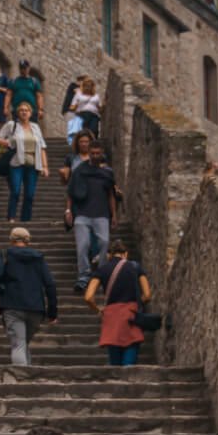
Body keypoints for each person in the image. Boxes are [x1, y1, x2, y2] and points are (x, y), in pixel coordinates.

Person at [0, 224, 58, 367]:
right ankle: (27, 374)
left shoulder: (5, 254)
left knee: (18, 344)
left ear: (11, 240)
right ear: (28, 241)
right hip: (36, 309)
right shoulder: (38, 258)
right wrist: (53, 312)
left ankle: (21, 381)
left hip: (12, 305)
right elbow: (50, 284)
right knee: (23, 342)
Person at [85, 236, 151, 367]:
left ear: (109, 255)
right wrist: (138, 303)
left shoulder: (102, 270)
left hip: (111, 317)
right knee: (129, 362)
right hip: (131, 314)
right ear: (125, 254)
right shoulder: (135, 267)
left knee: (114, 364)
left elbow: (88, 297)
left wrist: (98, 310)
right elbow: (148, 295)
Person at [65, 140, 118, 290]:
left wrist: (114, 215)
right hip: (82, 213)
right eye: (92, 153)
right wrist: (68, 210)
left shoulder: (107, 173)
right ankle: (83, 275)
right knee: (83, 246)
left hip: (101, 214)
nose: (95, 156)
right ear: (88, 153)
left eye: (97, 153)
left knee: (104, 243)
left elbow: (111, 194)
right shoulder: (80, 170)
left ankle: (101, 274)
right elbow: (70, 192)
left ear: (102, 154)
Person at [0, 98, 48, 220]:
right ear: (18, 113)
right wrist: (7, 142)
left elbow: (42, 147)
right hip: (16, 163)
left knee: (29, 195)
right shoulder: (11, 125)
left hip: (33, 165)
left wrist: (45, 166)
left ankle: (25, 220)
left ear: (30, 113)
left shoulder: (35, 127)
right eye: (21, 110)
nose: (24, 112)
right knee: (16, 192)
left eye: (26, 110)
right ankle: (11, 218)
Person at [63, 75, 101, 146]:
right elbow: (72, 107)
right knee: (82, 132)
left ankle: (93, 145)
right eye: (86, 85)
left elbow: (99, 107)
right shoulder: (77, 91)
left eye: (90, 85)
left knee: (94, 130)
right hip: (82, 115)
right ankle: (79, 146)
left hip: (94, 115)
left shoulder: (96, 95)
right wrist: (77, 104)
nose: (88, 87)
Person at [10, 57, 44, 124]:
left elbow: (39, 96)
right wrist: (5, 107)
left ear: (28, 68)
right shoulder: (14, 81)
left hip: (31, 112)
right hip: (17, 111)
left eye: (25, 68)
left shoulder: (34, 81)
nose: (23, 70)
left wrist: (40, 109)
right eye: (21, 68)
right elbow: (9, 95)